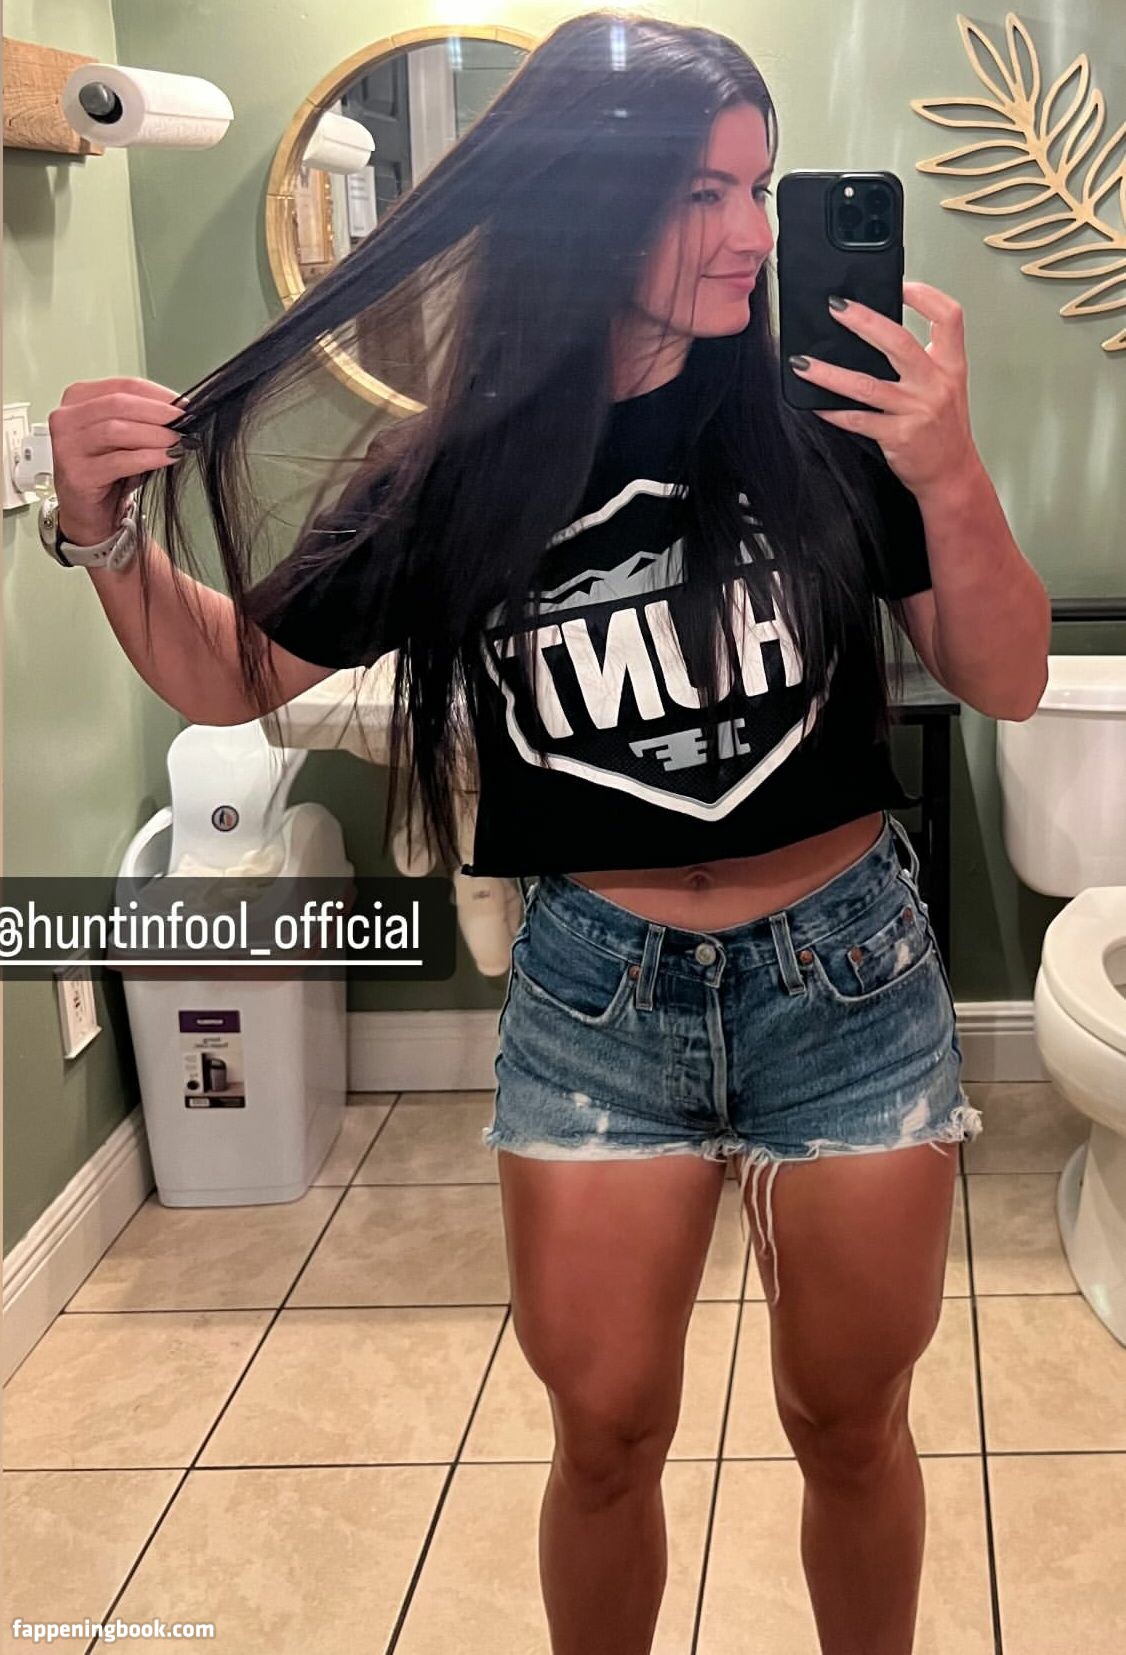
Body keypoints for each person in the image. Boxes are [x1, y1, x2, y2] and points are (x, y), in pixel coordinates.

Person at [46, 12, 1051, 1652]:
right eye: (699, 193)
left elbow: (1005, 679)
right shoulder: (458, 472)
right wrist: (100, 535)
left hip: (849, 983)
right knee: (602, 1440)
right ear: (587, 202)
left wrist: (946, 471)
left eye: (758, 188)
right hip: (598, 1003)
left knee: (849, 1424)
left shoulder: (830, 419)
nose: (746, 233)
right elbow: (231, 675)